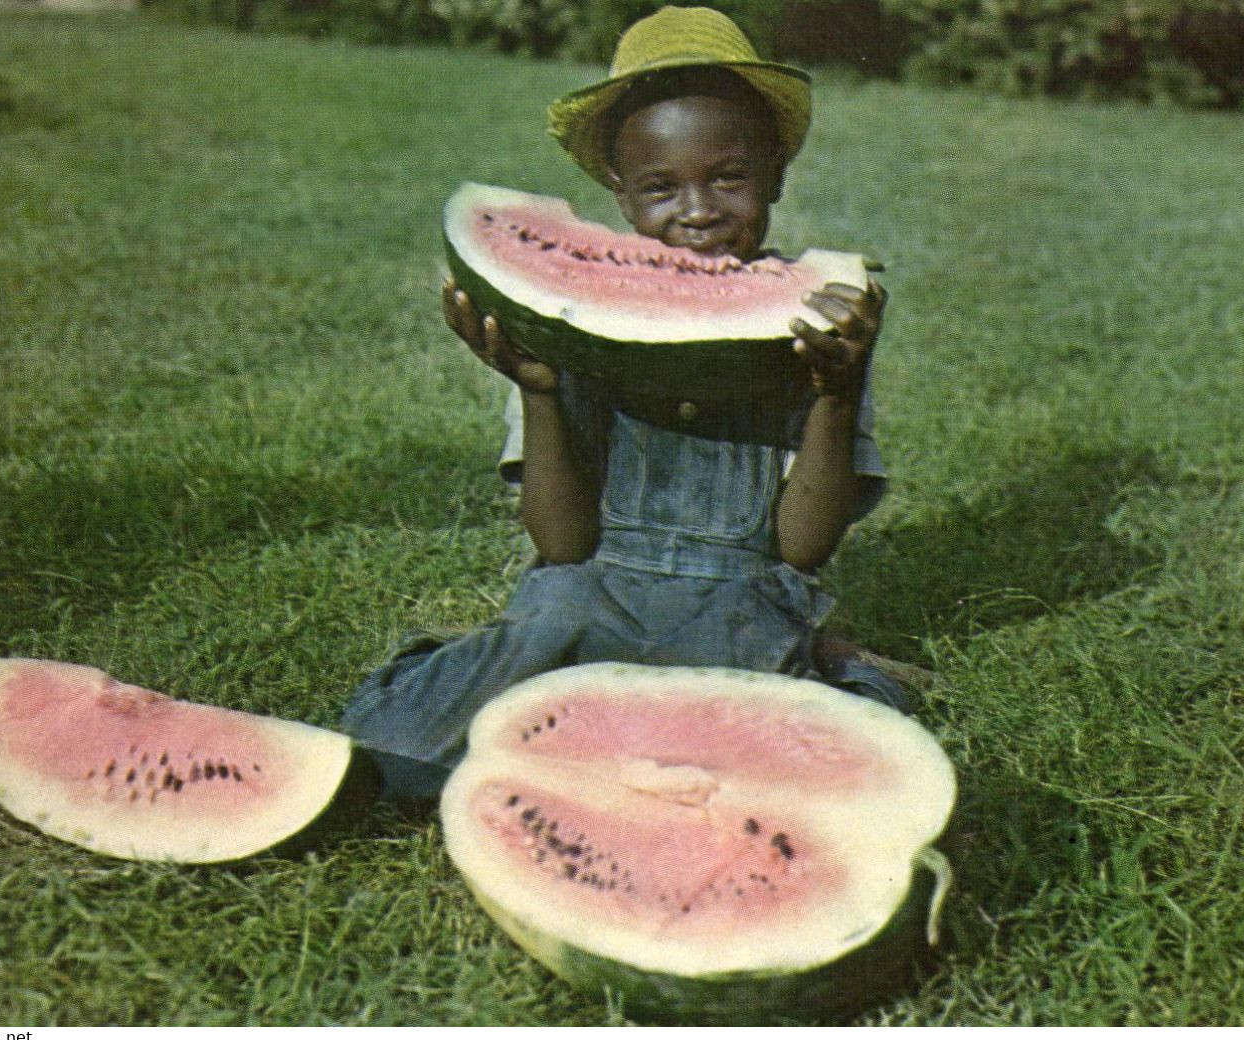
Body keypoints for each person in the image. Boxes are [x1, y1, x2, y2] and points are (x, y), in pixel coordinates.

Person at [342, 6, 910, 802]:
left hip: (738, 605)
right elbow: (563, 542)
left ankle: (847, 673)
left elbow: (802, 547)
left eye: (728, 177)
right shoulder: (567, 326)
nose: (699, 210)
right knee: (388, 749)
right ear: (616, 193)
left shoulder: (822, 325)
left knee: (806, 781)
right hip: (585, 596)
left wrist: (834, 390)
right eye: (660, 186)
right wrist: (539, 391)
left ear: (775, 172)